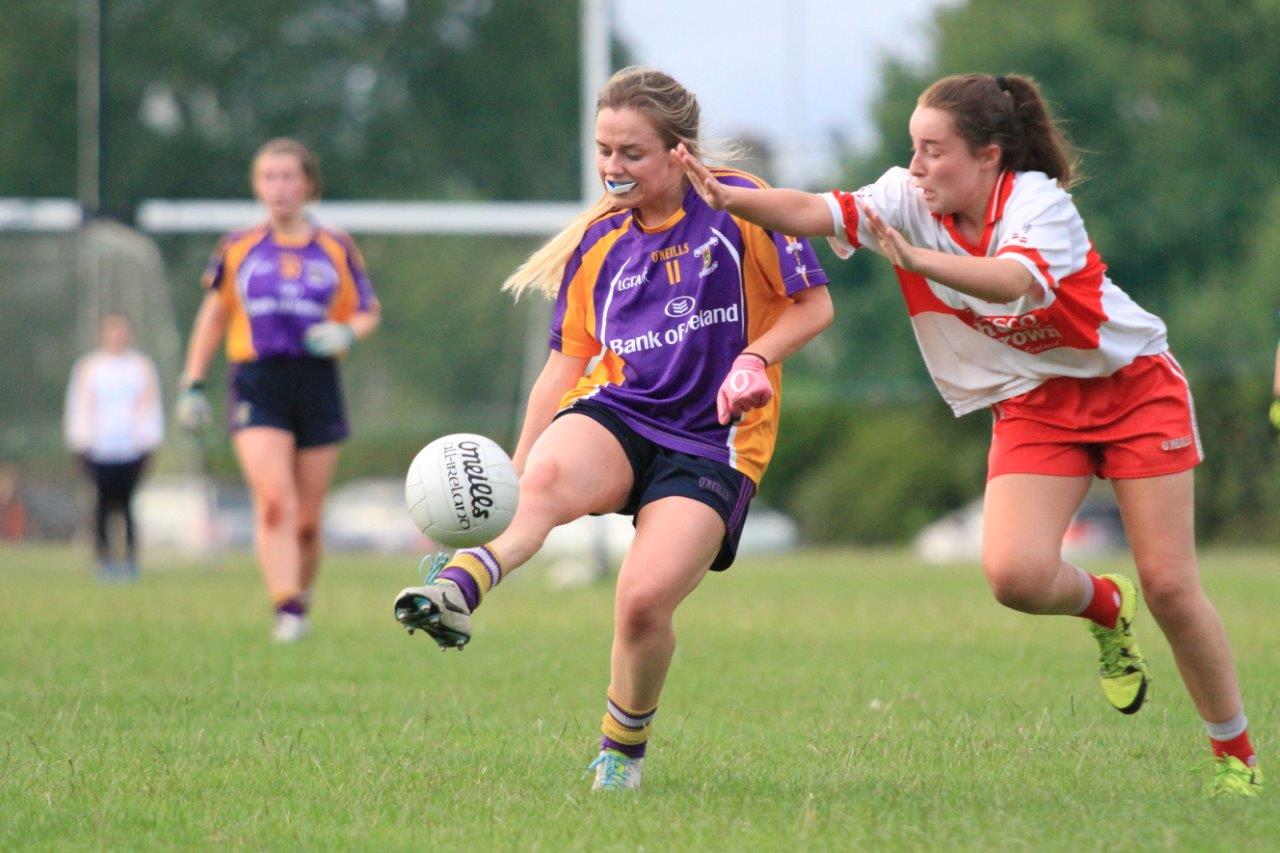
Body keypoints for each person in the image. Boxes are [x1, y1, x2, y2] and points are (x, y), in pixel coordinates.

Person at [677, 73, 1261, 797]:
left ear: (989, 156)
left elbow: (1012, 280)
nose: (917, 167)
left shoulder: (1040, 204)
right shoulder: (905, 197)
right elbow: (810, 209)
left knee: (1172, 586)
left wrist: (920, 261)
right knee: (1014, 576)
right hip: (1035, 401)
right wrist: (732, 200)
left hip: (1132, 389)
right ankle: (1105, 607)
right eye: (913, 149)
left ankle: (1235, 759)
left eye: (935, 151)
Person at [393, 66, 834, 791]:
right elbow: (564, 369)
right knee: (546, 478)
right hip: (620, 410)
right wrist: (515, 461)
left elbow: (813, 307)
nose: (613, 167)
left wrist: (756, 357)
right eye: (604, 150)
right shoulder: (599, 239)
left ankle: (620, 753)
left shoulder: (741, 206)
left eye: (631, 153)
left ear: (676, 153)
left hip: (713, 441)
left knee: (640, 602)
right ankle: (456, 590)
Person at [175, 137, 380, 643]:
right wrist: (192, 383)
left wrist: (347, 332)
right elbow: (215, 315)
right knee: (274, 500)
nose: (280, 187)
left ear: (308, 185)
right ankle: (285, 608)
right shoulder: (239, 246)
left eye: (289, 176)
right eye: (269, 177)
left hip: (316, 382)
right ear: (257, 186)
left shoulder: (335, 245)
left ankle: (300, 603)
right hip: (257, 380)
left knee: (308, 521)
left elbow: (367, 309)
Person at [64, 313, 163, 580]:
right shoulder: (89, 367)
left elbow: (150, 407)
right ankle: (104, 560)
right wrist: (80, 442)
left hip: (131, 450)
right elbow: (79, 408)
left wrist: (148, 442)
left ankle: (130, 560)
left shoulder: (141, 367)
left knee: (128, 506)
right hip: (99, 449)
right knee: (101, 507)